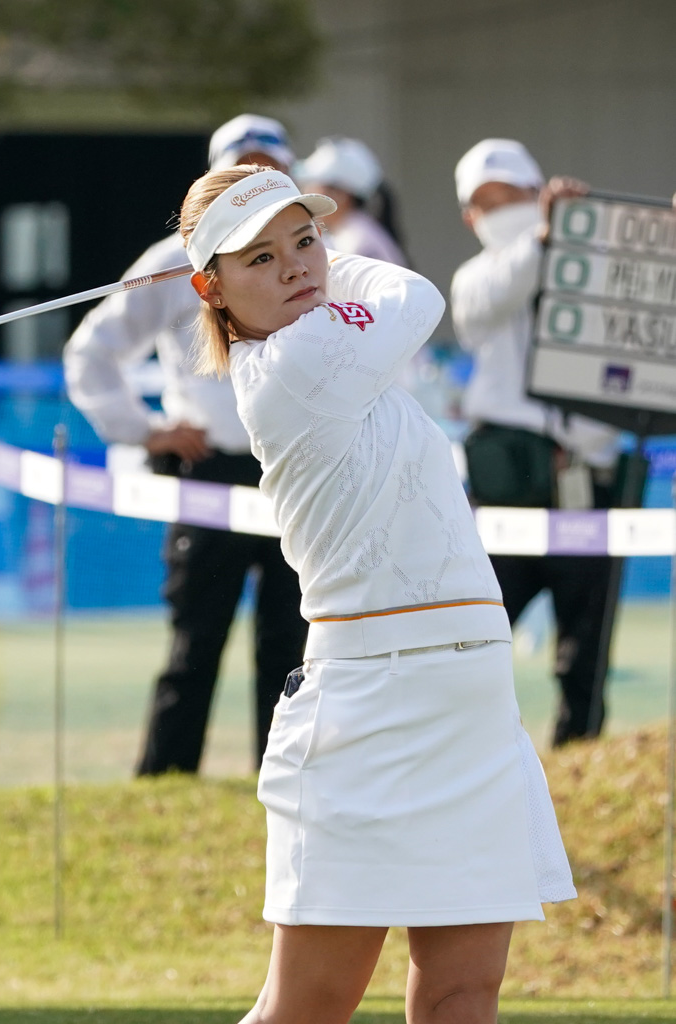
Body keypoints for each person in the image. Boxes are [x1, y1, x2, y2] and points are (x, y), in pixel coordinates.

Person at [177, 164, 576, 1023]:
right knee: (308, 1006)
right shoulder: (294, 363)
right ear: (209, 287)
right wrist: (326, 258)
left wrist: (289, 256)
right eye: (259, 258)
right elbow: (414, 295)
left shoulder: (336, 352)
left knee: (463, 992)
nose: (295, 267)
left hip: (469, 700)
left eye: (305, 241)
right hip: (368, 703)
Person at [63, 115, 309, 775]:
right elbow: (92, 351)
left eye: (268, 169)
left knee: (293, 646)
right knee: (195, 641)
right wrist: (147, 429)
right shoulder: (174, 261)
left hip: (295, 472)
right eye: (240, 169)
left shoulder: (313, 254)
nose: (255, 182)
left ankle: (284, 780)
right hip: (211, 473)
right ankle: (166, 779)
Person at [450, 138, 626, 747]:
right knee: (476, 634)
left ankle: (580, 760)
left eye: (516, 195)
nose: (504, 210)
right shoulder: (474, 277)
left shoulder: (599, 261)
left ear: (539, 190)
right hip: (507, 480)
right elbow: (490, 299)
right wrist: (547, 235)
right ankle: (468, 759)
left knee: (586, 646)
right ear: (470, 217)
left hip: (588, 475)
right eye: (488, 202)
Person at [295, 136, 409, 265]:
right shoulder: (355, 232)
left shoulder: (355, 241)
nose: (305, 192)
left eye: (311, 184)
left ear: (339, 195)